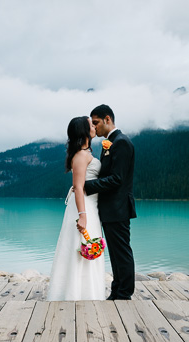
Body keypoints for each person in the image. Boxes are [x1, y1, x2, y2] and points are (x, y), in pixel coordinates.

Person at [47, 116, 106, 301]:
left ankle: (88, 292)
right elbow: (78, 186)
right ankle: (77, 294)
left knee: (88, 246)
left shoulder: (85, 153)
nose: (94, 127)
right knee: (81, 246)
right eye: (91, 125)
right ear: (83, 130)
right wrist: (82, 216)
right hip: (84, 206)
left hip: (91, 205)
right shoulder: (81, 155)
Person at [83, 105, 136, 300]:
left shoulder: (120, 142)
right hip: (111, 207)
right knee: (115, 252)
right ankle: (117, 290)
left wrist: (87, 186)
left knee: (121, 251)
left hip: (118, 207)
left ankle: (124, 293)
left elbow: (117, 179)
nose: (94, 127)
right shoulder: (111, 142)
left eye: (96, 122)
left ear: (107, 119)